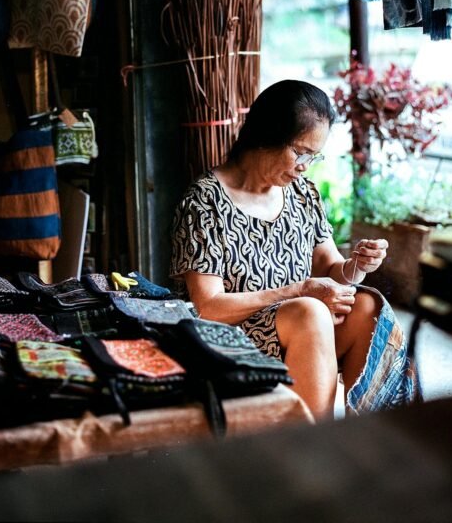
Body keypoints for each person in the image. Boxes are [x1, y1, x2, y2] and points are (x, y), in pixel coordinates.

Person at [170, 79, 418, 420]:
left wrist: (356, 266)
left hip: (298, 327)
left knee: (365, 306)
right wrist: (300, 291)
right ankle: (313, 448)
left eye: (313, 156)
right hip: (229, 336)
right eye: (300, 152)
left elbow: (332, 266)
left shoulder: (303, 194)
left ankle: (373, 434)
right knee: (311, 311)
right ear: (265, 136)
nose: (305, 165)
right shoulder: (204, 202)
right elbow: (209, 307)